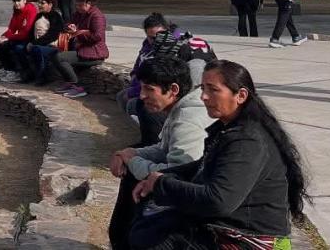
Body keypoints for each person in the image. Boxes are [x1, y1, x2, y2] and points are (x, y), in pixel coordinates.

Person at [130, 61, 307, 250]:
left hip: (250, 239)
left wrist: (161, 183)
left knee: (154, 238)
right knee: (147, 221)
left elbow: (218, 201)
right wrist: (158, 178)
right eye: (203, 88)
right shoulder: (227, 128)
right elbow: (202, 165)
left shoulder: (248, 141)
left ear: (240, 95)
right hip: (226, 226)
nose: (204, 97)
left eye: (213, 90)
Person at [108, 58, 214, 250]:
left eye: (149, 89)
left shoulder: (187, 121)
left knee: (140, 213)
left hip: (196, 201)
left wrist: (132, 161)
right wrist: (128, 153)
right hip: (183, 186)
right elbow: (163, 148)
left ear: (173, 90)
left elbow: (177, 174)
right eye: (141, 88)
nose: (141, 95)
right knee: (132, 175)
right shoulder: (179, 108)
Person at [119, 13, 217, 146]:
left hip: (194, 107)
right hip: (182, 101)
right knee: (141, 103)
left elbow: (191, 95)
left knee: (146, 106)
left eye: (157, 37)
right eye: (151, 38)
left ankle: (154, 142)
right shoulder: (165, 46)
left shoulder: (195, 64)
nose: (154, 41)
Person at [53, 0, 109, 98]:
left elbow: (97, 36)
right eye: (76, 5)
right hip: (81, 49)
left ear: (89, 3)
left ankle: (76, 85)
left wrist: (77, 32)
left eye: (81, 5)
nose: (78, 7)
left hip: (94, 53)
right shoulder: (78, 14)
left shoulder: (97, 16)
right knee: (56, 54)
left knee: (59, 57)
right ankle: (71, 83)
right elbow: (69, 23)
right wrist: (69, 27)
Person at [0, 0, 37, 83]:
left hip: (29, 38)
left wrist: (9, 37)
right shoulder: (16, 11)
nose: (16, 3)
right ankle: (8, 69)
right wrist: (2, 37)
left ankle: (20, 72)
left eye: (18, 1)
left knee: (18, 48)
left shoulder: (31, 10)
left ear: (24, 0)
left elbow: (26, 32)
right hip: (19, 37)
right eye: (14, 1)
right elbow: (11, 28)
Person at [24, 0, 64, 85]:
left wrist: (35, 43)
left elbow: (52, 35)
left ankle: (42, 77)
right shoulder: (39, 15)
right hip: (38, 44)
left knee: (38, 50)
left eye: (42, 3)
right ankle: (27, 73)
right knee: (20, 47)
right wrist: (29, 42)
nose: (39, 5)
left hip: (52, 45)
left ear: (50, 5)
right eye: (39, 3)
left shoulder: (55, 16)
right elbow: (31, 33)